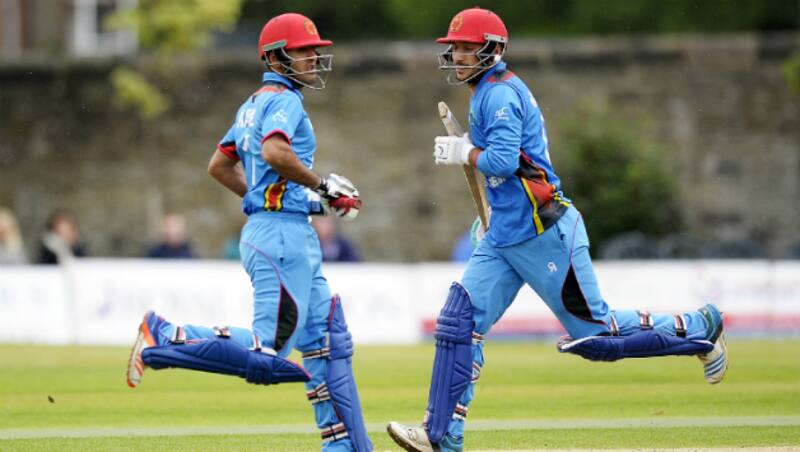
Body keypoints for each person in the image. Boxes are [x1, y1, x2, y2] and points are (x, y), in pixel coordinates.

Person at [387, 8, 728, 452]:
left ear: (494, 49)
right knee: (457, 322)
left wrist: (464, 152)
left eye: (468, 47)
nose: (457, 55)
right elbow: (507, 175)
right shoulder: (485, 93)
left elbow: (505, 162)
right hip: (506, 235)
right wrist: (487, 211)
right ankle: (441, 436)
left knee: (596, 338)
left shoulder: (500, 95)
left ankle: (699, 330)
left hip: (545, 232)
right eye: (454, 48)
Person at [126, 13, 372, 452]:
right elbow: (275, 151)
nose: (315, 56)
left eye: (316, 49)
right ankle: (165, 333)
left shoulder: (251, 104)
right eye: (304, 50)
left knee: (325, 342)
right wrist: (320, 184)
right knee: (269, 352)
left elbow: (219, 166)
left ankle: (346, 447)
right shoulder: (286, 101)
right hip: (281, 237)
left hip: (277, 227)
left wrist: (305, 202)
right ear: (277, 57)